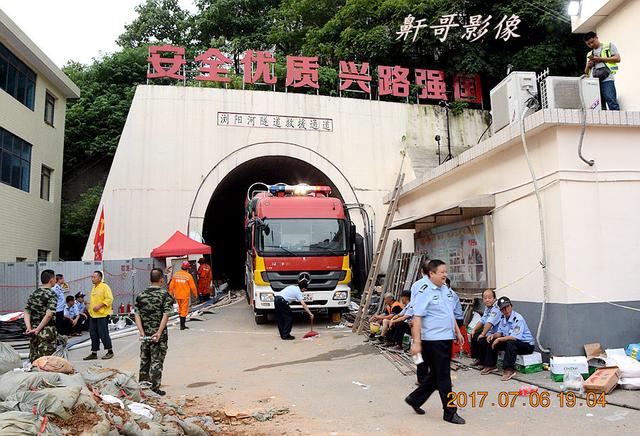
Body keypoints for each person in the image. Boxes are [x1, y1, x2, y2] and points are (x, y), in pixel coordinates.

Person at [405, 259, 466, 425]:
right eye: (441, 273)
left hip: (446, 337)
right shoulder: (424, 290)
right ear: (431, 274)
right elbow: (417, 317)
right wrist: (416, 343)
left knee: (436, 375)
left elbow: (449, 312)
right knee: (444, 376)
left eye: (446, 272)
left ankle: (415, 399)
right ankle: (450, 412)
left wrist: (457, 331)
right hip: (433, 340)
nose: (445, 275)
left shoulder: (445, 289)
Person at [135, 268, 174, 396]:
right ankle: (154, 389)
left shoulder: (141, 295)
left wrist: (141, 332)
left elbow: (137, 315)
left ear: (150, 280)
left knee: (145, 360)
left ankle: (142, 387)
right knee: (156, 361)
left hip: (145, 334)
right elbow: (166, 314)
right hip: (159, 335)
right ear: (161, 280)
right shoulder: (164, 295)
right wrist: (158, 332)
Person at [482, 296, 535, 381]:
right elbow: (500, 333)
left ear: (511, 306)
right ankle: (490, 365)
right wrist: (494, 336)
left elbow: (514, 337)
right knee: (491, 339)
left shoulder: (518, 318)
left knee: (510, 342)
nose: (506, 310)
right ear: (500, 310)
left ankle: (509, 369)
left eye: (507, 307)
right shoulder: (503, 319)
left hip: (526, 345)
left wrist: (499, 339)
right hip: (513, 342)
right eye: (503, 308)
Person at [24, 269, 59, 362]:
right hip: (46, 331)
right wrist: (39, 329)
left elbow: (27, 311)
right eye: (55, 278)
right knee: (46, 362)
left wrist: (29, 328)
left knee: (34, 360)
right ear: (51, 280)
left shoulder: (34, 293)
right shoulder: (52, 294)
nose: (56, 280)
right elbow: (49, 315)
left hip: (33, 331)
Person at [584, 31, 621, 110]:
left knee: (611, 101)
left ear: (596, 38)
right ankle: (603, 122)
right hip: (594, 82)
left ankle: (618, 122)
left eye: (592, 42)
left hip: (607, 79)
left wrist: (600, 59)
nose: (591, 45)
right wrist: (588, 65)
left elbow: (618, 59)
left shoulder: (609, 46)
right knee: (598, 105)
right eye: (588, 44)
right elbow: (586, 72)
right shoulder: (589, 54)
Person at [83, 271, 114, 360]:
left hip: (102, 315)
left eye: (94, 277)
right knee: (93, 334)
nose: (92, 278)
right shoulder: (94, 288)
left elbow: (109, 299)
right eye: (92, 277)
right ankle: (94, 352)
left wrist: (100, 306)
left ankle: (110, 351)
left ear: (100, 278)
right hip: (93, 315)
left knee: (103, 333)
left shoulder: (104, 287)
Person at [274, 272, 314, 340]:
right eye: (305, 289)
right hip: (282, 301)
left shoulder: (293, 287)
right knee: (289, 318)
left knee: (280, 318)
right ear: (303, 288)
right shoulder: (298, 292)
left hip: (276, 299)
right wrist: (310, 314)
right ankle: (286, 335)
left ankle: (282, 334)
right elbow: (303, 304)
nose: (305, 290)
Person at [469, 289, 500, 368]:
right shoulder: (488, 308)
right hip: (489, 332)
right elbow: (483, 320)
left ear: (494, 299)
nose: (487, 300)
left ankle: (486, 363)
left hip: (497, 334)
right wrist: (474, 329)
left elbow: (489, 323)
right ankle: (479, 359)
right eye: (485, 298)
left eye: (490, 298)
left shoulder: (496, 309)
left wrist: (483, 334)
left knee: (482, 339)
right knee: (474, 335)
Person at [169, 261, 197, 330]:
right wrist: (196, 294)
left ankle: (182, 324)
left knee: (180, 309)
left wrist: (171, 294)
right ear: (187, 268)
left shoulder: (176, 275)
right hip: (185, 296)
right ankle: (182, 325)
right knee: (184, 310)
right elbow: (193, 287)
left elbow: (171, 286)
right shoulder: (188, 276)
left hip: (177, 296)